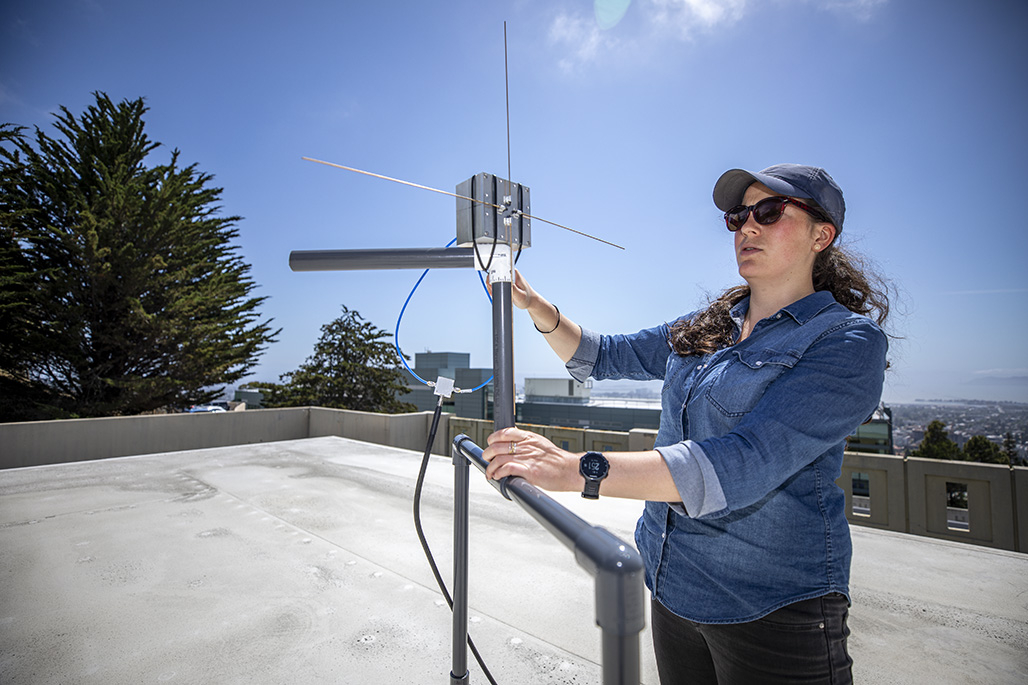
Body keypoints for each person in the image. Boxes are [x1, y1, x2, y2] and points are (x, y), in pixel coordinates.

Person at [481, 164, 890, 684]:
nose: (747, 227)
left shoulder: (846, 342)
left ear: (821, 235)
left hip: (773, 604)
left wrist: (575, 469)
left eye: (769, 212)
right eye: (738, 216)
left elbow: (744, 461)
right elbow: (604, 356)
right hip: (672, 584)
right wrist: (533, 304)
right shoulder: (710, 325)